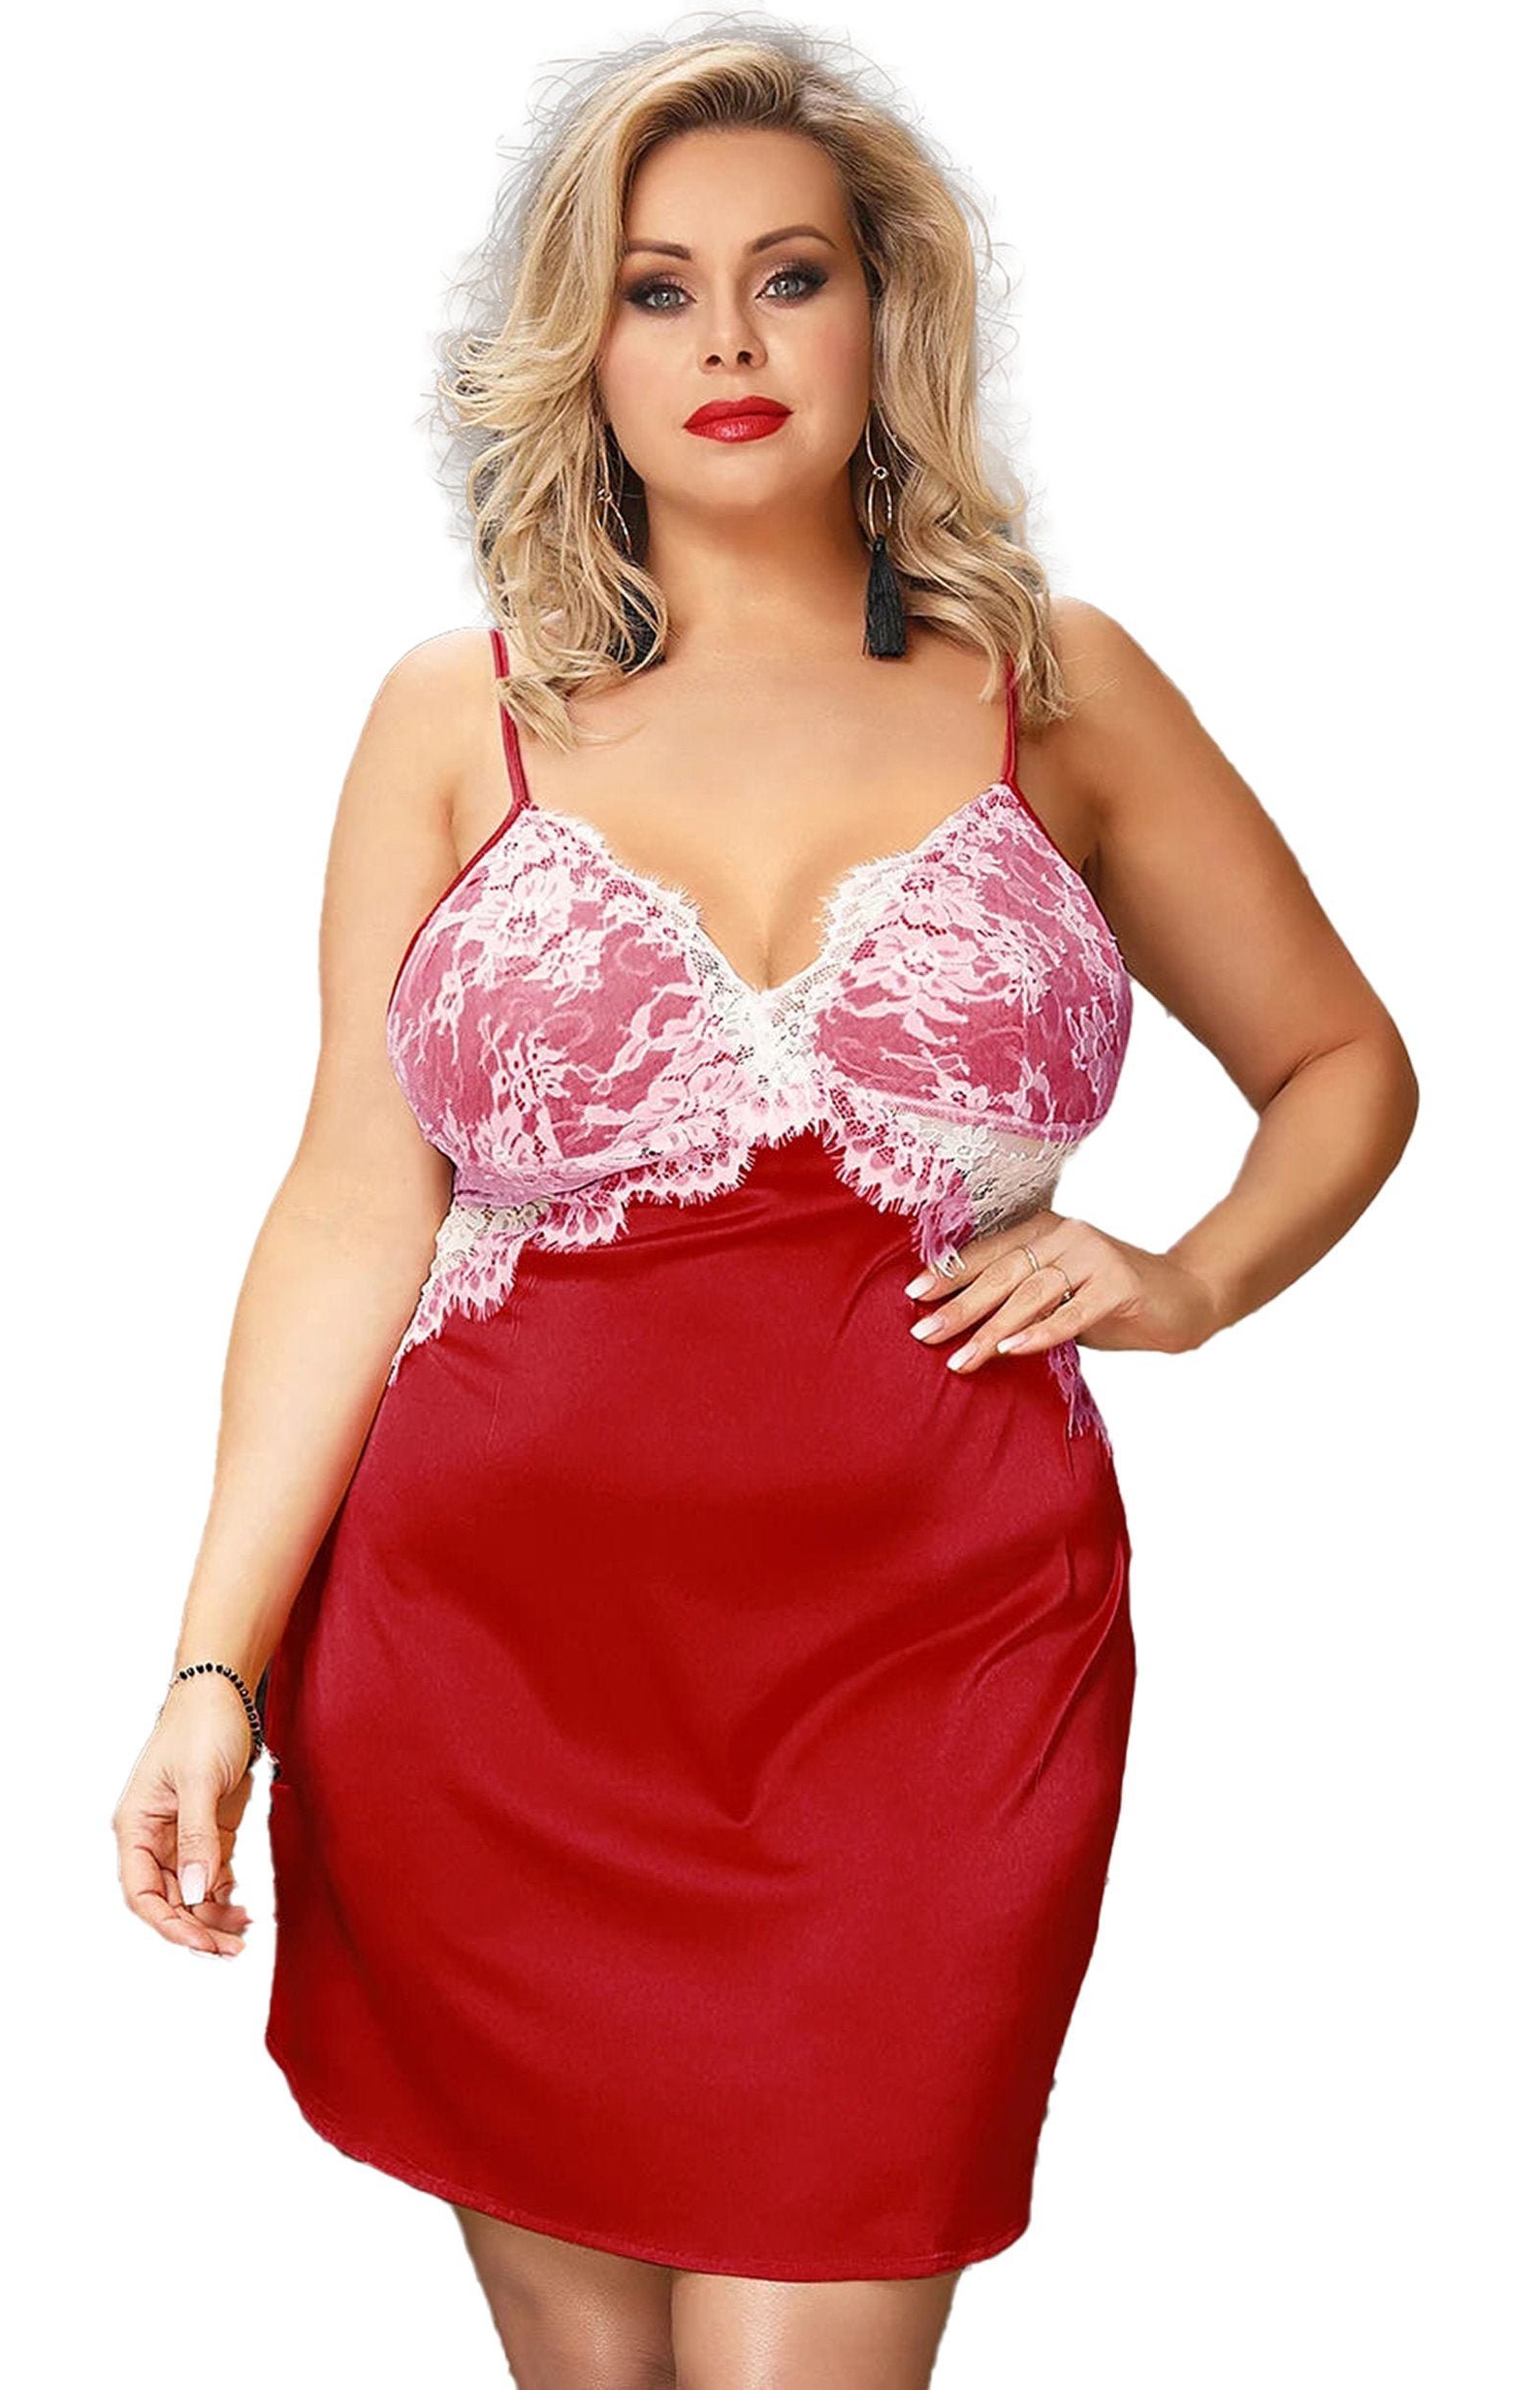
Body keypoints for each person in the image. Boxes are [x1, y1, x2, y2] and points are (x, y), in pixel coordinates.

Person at [111, 23, 1418, 2389]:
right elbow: (345, 1201)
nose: (726, 339)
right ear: (580, 348)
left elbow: (1339, 1063)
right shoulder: (458, 715)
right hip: (491, 1670)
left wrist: (1190, 1277)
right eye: (656, 289)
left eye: (787, 276)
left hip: (938, 1656)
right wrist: (212, 1665)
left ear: (881, 315)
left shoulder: (1055, 691)